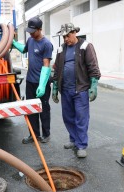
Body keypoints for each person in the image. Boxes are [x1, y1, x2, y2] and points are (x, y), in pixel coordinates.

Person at [52, 23, 101, 158]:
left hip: (80, 89)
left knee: (81, 118)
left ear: (74, 33)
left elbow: (93, 66)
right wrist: (55, 87)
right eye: (63, 37)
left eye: (67, 36)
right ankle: (73, 140)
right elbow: (57, 69)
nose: (66, 39)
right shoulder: (61, 49)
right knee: (68, 117)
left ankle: (81, 145)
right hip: (65, 90)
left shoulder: (85, 46)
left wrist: (94, 85)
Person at [12, 16, 53, 144]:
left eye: (33, 31)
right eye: (29, 31)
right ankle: (33, 134)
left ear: (40, 29)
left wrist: (42, 85)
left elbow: (46, 65)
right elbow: (24, 49)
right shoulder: (30, 40)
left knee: (43, 109)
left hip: (42, 84)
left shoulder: (46, 44)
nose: (30, 33)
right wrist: (13, 43)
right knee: (31, 109)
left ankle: (46, 135)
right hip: (30, 82)